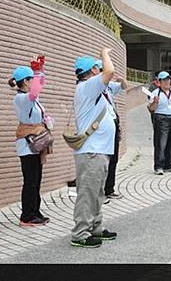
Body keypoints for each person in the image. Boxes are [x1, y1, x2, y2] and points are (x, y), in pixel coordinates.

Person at [71, 49, 118, 248]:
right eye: (97, 67)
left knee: (97, 192)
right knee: (87, 192)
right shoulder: (87, 86)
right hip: (92, 151)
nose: (101, 70)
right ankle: (80, 232)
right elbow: (110, 73)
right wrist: (104, 52)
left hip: (99, 150)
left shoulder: (91, 88)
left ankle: (95, 227)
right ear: (93, 70)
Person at [9, 56, 52, 227]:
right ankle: (26, 216)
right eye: (31, 79)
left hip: (34, 143)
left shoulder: (29, 97)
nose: (34, 82)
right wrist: (38, 72)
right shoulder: (21, 98)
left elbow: (37, 89)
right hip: (27, 145)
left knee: (36, 180)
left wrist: (39, 71)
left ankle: (35, 212)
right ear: (25, 82)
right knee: (30, 181)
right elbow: (35, 92)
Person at [95, 60, 127, 200]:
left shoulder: (108, 87)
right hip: (100, 129)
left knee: (113, 159)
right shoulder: (94, 87)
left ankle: (109, 189)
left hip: (113, 124)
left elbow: (123, 87)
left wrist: (123, 80)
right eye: (102, 70)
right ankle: (99, 190)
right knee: (102, 160)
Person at [148, 71, 171, 175]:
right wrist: (155, 102)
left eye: (168, 79)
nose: (167, 82)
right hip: (161, 118)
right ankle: (158, 166)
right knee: (160, 143)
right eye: (165, 80)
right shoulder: (155, 93)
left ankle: (169, 165)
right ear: (160, 82)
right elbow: (151, 109)